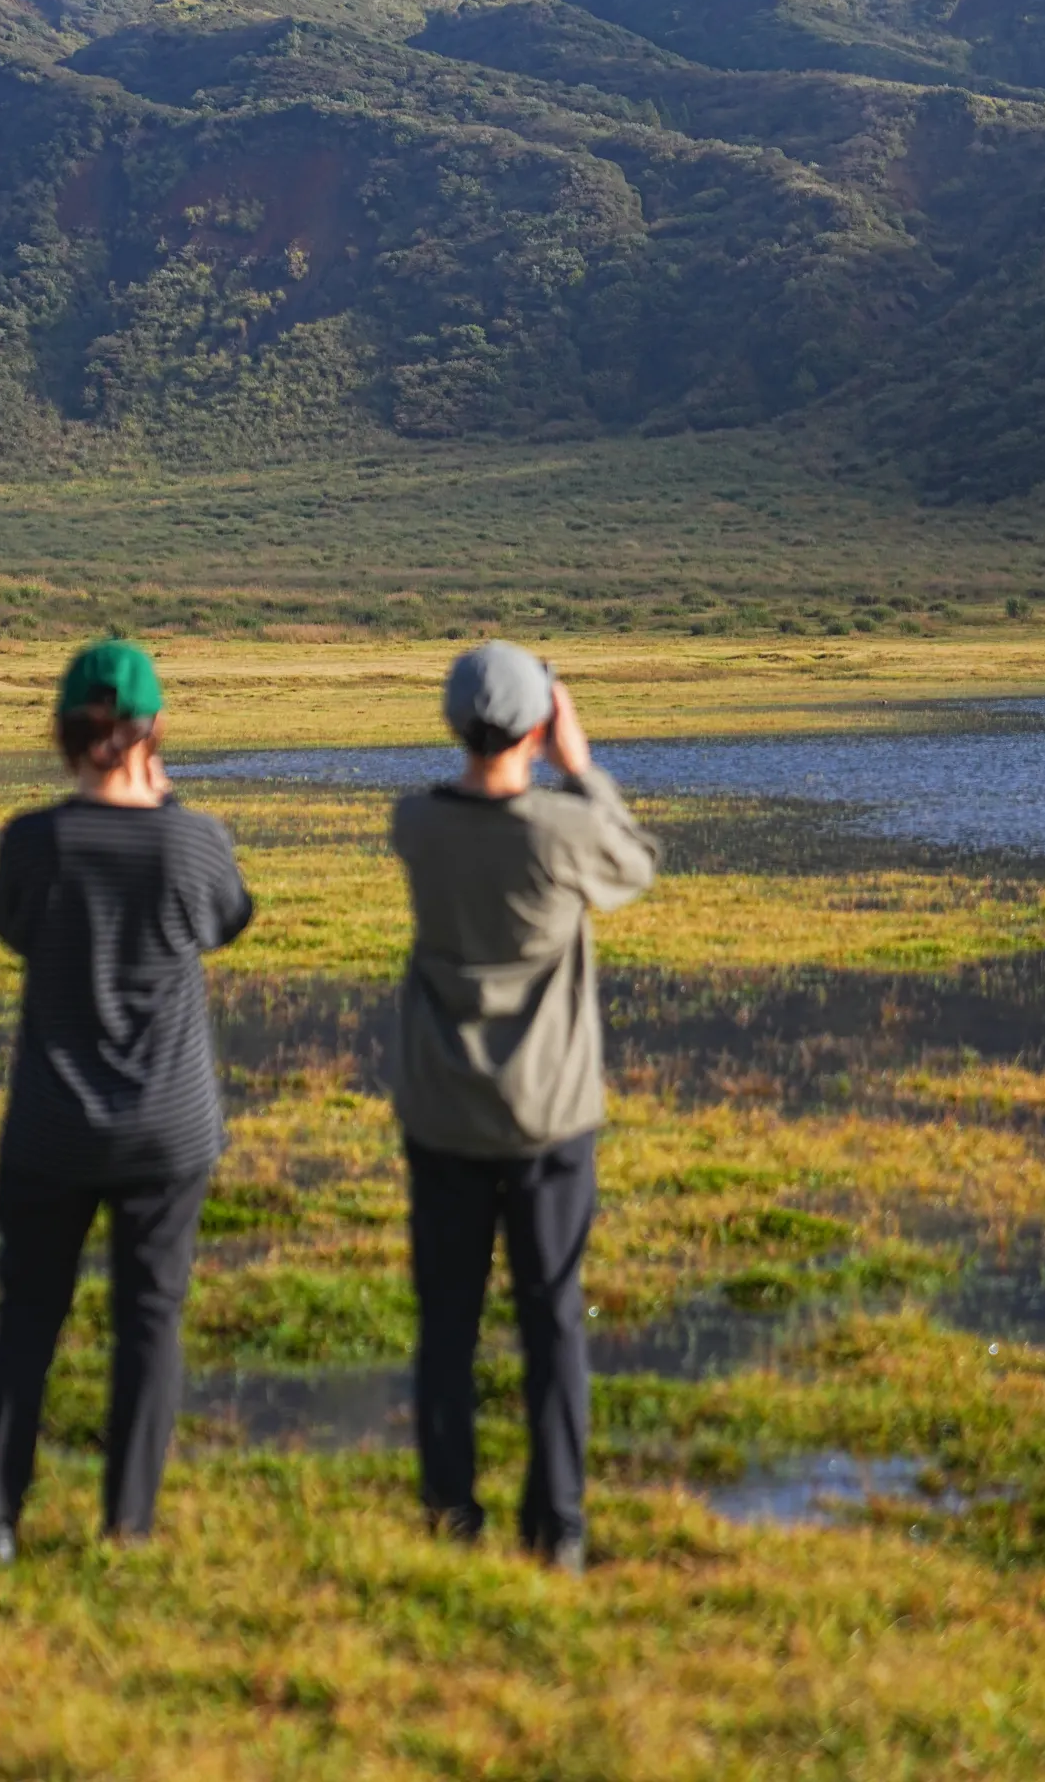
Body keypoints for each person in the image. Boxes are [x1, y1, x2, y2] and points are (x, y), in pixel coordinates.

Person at [0, 637, 252, 1566]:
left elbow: (11, 929)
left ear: (62, 732)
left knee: (27, 1322)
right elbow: (230, 918)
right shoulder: (193, 840)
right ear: (151, 731)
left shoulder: (32, 843)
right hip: (166, 1126)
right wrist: (163, 806)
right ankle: (127, 1524)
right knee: (149, 1322)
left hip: (51, 1124)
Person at [390, 639, 657, 1571]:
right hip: (548, 1115)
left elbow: (452, 803)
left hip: (443, 1112)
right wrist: (580, 768)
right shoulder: (560, 831)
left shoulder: (413, 824)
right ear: (538, 725)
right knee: (550, 1318)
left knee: (448, 1319)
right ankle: (559, 1527)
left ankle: (449, 1514)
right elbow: (634, 867)